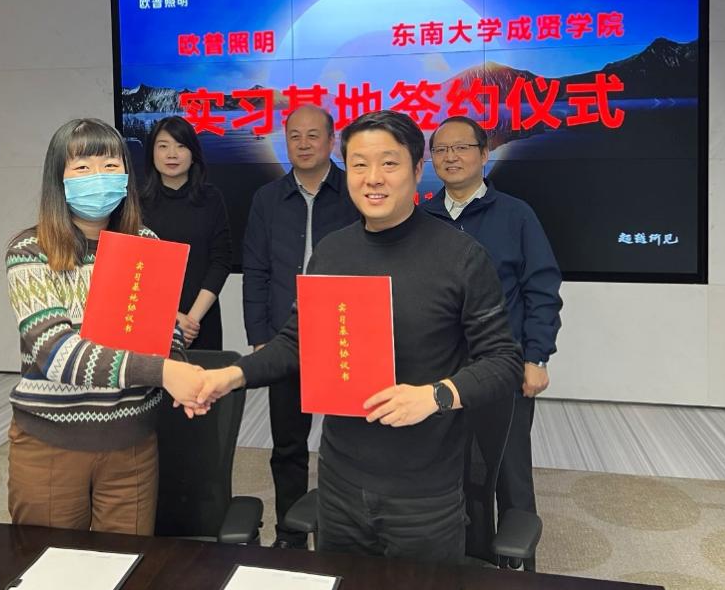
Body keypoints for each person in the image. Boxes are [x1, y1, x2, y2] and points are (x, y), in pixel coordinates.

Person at [198, 110, 522, 564]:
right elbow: (296, 342)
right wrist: (230, 376)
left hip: (423, 493)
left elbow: (503, 361)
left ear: (417, 168)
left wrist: (437, 396)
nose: (373, 178)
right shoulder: (333, 252)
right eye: (359, 164)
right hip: (340, 484)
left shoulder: (461, 256)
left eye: (389, 163)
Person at [5, 117, 207, 534]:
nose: (98, 176)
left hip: (131, 444)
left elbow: (164, 331)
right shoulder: (31, 250)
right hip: (52, 444)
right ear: (58, 180)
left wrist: (179, 368)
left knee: (126, 562)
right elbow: (56, 354)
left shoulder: (146, 243)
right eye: (82, 167)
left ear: (126, 175)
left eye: (110, 165)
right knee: (48, 561)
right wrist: (164, 372)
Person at [421, 115, 562, 521]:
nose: (451, 157)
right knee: (448, 471)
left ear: (484, 154)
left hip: (503, 367)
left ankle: (516, 555)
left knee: (509, 471)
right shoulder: (423, 221)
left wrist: (536, 358)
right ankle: (464, 552)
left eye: (461, 147)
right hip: (440, 370)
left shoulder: (516, 215)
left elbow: (542, 289)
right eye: (441, 150)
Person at [241, 104, 361, 549]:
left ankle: (345, 534)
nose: (304, 144)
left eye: (314, 135)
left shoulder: (355, 192)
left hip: (344, 333)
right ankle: (290, 535)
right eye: (295, 136)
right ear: (285, 141)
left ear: (332, 141)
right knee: (288, 444)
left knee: (351, 441)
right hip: (284, 337)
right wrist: (259, 337)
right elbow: (256, 270)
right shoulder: (267, 199)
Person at [140, 116, 232, 350]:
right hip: (149, 318)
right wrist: (170, 317)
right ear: (152, 153)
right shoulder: (136, 203)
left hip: (200, 322)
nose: (172, 154)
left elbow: (221, 261)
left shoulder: (211, 198)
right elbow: (132, 270)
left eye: (181, 146)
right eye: (163, 146)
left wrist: (191, 320)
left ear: (193, 154)